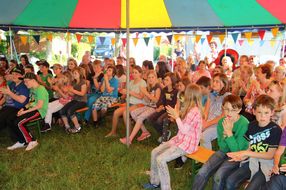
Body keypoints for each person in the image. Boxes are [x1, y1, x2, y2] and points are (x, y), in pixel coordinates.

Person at [143, 84, 203, 190]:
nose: (184, 94)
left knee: (161, 159)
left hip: (187, 145)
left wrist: (176, 116)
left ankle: (166, 188)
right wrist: (176, 115)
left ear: (190, 95)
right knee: (155, 152)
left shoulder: (195, 112)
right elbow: (183, 128)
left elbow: (184, 129)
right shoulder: (189, 108)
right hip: (180, 140)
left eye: (186, 92)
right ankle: (154, 182)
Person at [192, 95, 249, 190]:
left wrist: (229, 134)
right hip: (224, 151)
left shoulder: (244, 124)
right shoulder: (222, 122)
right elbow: (222, 147)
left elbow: (237, 151)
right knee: (202, 172)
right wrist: (226, 136)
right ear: (223, 108)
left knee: (218, 176)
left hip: (238, 156)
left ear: (239, 110)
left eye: (233, 110)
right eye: (226, 109)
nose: (229, 113)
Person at [226, 95, 282, 189]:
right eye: (259, 112)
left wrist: (246, 153)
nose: (262, 116)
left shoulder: (275, 129)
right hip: (252, 161)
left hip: (266, 164)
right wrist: (242, 156)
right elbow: (250, 146)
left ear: (272, 112)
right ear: (254, 111)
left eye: (266, 112)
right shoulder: (251, 126)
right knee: (230, 180)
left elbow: (269, 155)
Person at [7, 72, 49, 151]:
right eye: (24, 82)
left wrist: (24, 112)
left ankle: (32, 141)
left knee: (19, 123)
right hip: (32, 109)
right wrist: (23, 109)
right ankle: (22, 141)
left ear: (33, 80)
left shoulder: (41, 89)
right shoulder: (32, 89)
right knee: (11, 119)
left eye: (26, 81)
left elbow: (39, 106)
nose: (25, 84)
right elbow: (31, 102)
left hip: (39, 111)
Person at [120, 70, 161, 145]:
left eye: (152, 77)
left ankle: (129, 139)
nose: (151, 79)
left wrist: (145, 93)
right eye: (149, 78)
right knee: (133, 113)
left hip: (156, 108)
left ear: (156, 78)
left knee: (140, 117)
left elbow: (156, 100)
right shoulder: (150, 87)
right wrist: (145, 94)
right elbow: (148, 101)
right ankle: (145, 132)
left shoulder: (157, 87)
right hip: (149, 106)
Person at [106, 66, 146, 137]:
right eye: (133, 72)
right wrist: (122, 92)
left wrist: (129, 92)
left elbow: (141, 96)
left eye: (136, 72)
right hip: (129, 103)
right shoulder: (131, 82)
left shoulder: (142, 82)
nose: (133, 74)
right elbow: (127, 94)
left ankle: (129, 136)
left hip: (139, 104)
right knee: (116, 112)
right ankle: (113, 132)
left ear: (140, 74)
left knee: (125, 113)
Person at [201, 73, 231, 149]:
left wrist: (207, 124)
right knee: (193, 130)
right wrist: (204, 121)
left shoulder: (227, 96)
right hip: (209, 121)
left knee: (204, 137)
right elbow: (206, 111)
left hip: (220, 124)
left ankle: (207, 159)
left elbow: (223, 116)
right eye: (213, 81)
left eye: (217, 82)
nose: (214, 83)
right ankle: (183, 158)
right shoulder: (211, 95)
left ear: (224, 84)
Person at [147, 72, 178, 142]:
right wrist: (160, 107)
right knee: (150, 118)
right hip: (164, 109)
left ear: (172, 81)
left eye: (167, 80)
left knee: (160, 120)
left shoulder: (176, 91)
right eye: (164, 79)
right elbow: (162, 101)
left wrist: (165, 108)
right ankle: (164, 133)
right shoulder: (164, 90)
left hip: (171, 111)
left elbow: (176, 104)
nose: (164, 81)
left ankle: (164, 137)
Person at [0, 67, 29, 135]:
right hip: (8, 107)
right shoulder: (11, 84)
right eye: (13, 74)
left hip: (17, 109)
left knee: (2, 118)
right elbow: (5, 97)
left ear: (22, 76)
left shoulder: (24, 86)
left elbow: (22, 100)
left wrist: (9, 93)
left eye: (16, 74)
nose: (14, 76)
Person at [60, 67, 87, 133]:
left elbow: (82, 93)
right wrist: (67, 91)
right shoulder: (74, 82)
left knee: (70, 111)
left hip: (82, 101)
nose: (74, 75)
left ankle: (78, 127)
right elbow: (72, 94)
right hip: (75, 100)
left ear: (80, 74)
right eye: (73, 73)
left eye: (75, 73)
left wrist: (73, 90)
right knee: (62, 111)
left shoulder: (83, 82)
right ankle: (67, 126)